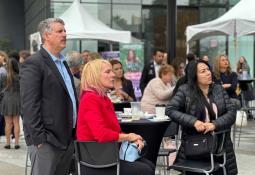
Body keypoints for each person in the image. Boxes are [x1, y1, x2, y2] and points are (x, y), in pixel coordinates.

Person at [20, 18, 78, 175]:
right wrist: (39, 140)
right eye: (60, 31)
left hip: (67, 138)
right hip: (47, 141)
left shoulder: (63, 62)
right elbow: (29, 105)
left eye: (65, 30)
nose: (65, 34)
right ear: (46, 35)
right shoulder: (34, 63)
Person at [76, 59, 155, 175]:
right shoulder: (90, 99)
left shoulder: (104, 99)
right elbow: (101, 134)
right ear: (95, 76)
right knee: (145, 170)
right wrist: (129, 137)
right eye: (108, 72)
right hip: (97, 160)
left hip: (107, 154)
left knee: (149, 165)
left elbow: (115, 132)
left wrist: (133, 138)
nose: (113, 75)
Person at [166, 60, 238, 175]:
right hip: (195, 145)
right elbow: (170, 109)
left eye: (208, 69)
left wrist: (215, 124)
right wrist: (194, 122)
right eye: (203, 71)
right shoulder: (185, 90)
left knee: (220, 171)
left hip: (219, 145)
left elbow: (231, 112)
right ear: (194, 75)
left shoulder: (218, 89)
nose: (208, 73)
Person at [1, 58, 21, 149]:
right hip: (17, 99)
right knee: (16, 122)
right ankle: (16, 143)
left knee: (8, 123)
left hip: (7, 99)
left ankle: (7, 143)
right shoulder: (19, 76)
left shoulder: (3, 76)